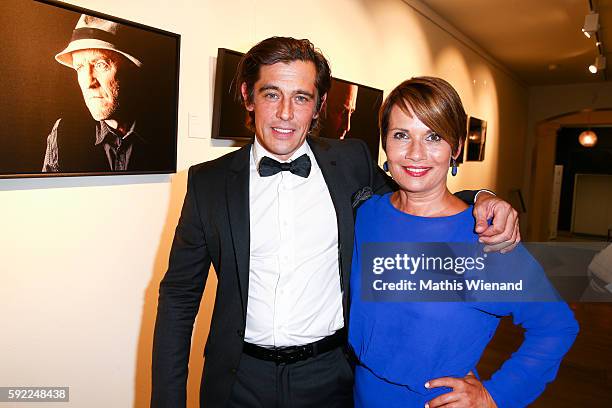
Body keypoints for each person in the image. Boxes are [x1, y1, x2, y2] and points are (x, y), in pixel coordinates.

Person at [151, 37, 521, 407]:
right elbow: (179, 299)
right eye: (271, 94)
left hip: (330, 377)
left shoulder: (351, 162)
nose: (285, 113)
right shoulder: (208, 183)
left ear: (318, 106)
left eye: (301, 97)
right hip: (238, 379)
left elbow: (416, 190)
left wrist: (480, 199)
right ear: (248, 96)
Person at [348, 77, 579, 407]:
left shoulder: (484, 237)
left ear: (455, 148)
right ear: (385, 142)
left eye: (433, 136)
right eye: (401, 135)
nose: (415, 153)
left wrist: (495, 394)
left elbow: (556, 326)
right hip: (363, 394)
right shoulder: (368, 215)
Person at [42, 15, 169, 173]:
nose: (88, 82)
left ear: (131, 69)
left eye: (100, 65)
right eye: (80, 67)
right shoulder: (63, 135)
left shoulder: (166, 134)